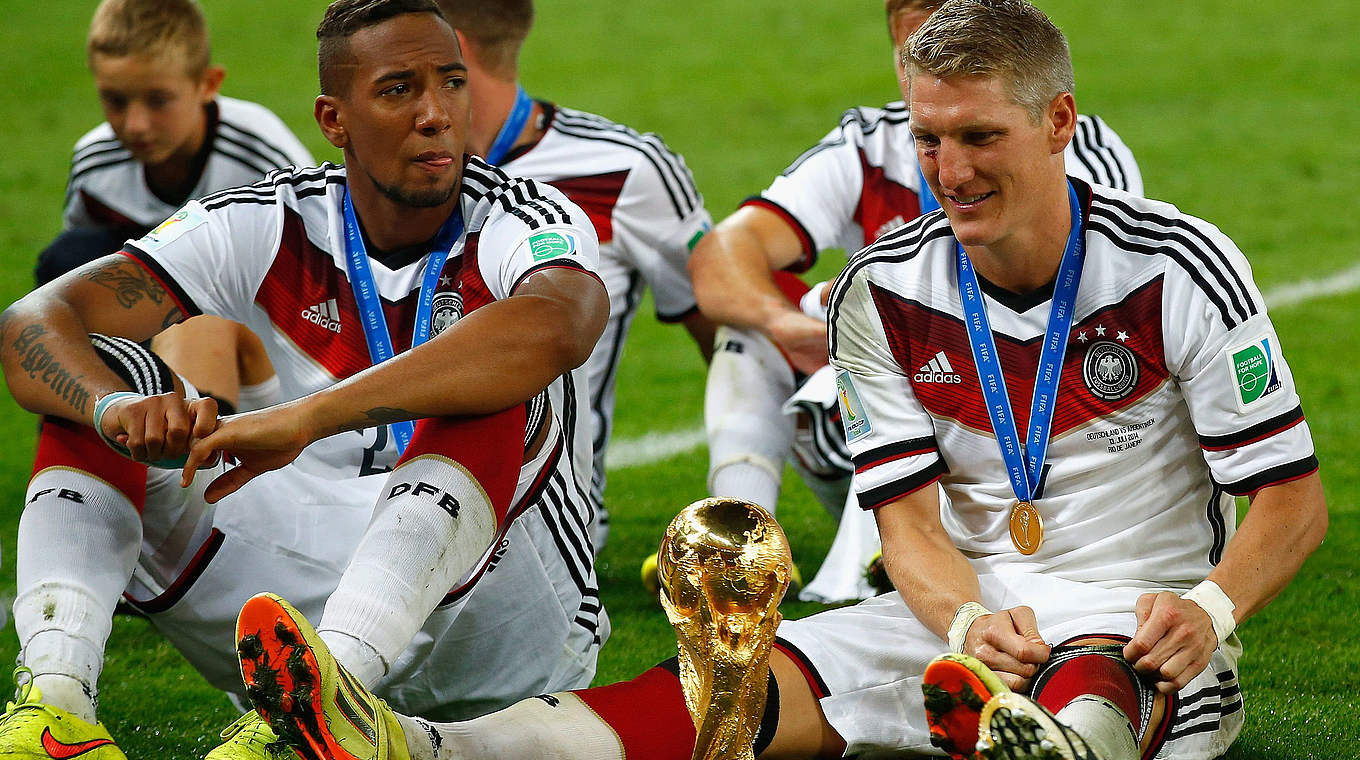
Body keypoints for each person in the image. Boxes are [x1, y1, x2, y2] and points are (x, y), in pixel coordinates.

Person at [230, 1, 1327, 758]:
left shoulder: (1177, 262)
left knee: (1096, 681)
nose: (950, 170)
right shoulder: (881, 292)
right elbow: (905, 523)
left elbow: (1291, 496)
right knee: (724, 695)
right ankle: (414, 743)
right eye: (931, 139)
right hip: (958, 625)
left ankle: (1047, 736)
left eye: (980, 136)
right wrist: (958, 626)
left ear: (1058, 124)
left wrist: (1210, 604)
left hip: (1136, 628)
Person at [0, 1, 610, 757]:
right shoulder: (267, 218)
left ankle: (320, 708)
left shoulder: (520, 214)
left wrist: (309, 417)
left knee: (501, 381)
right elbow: (34, 321)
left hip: (493, 632)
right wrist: (117, 406)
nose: (436, 114)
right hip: (295, 596)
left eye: (451, 83)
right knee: (104, 376)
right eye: (398, 89)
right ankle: (55, 706)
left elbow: (558, 324)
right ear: (334, 118)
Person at [688, 0, 1142, 602]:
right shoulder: (867, 146)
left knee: (915, 335)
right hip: (856, 428)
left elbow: (1096, 295)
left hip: (1020, 428)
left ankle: (907, 557)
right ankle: (739, 552)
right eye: (916, 55)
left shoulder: (1066, 146)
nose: (935, 69)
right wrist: (788, 322)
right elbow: (724, 253)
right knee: (751, 331)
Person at [432, 0, 716, 551]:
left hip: (540, 526)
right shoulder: (377, 178)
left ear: (452, 53)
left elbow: (726, 330)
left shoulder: (621, 167)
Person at [42, 0, 315, 409]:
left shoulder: (262, 158)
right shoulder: (96, 165)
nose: (135, 124)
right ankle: (86, 430)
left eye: (158, 100)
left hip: (255, 340)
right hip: (146, 323)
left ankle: (205, 450)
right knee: (66, 263)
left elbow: (320, 275)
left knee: (203, 309)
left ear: (207, 84)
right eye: (115, 100)